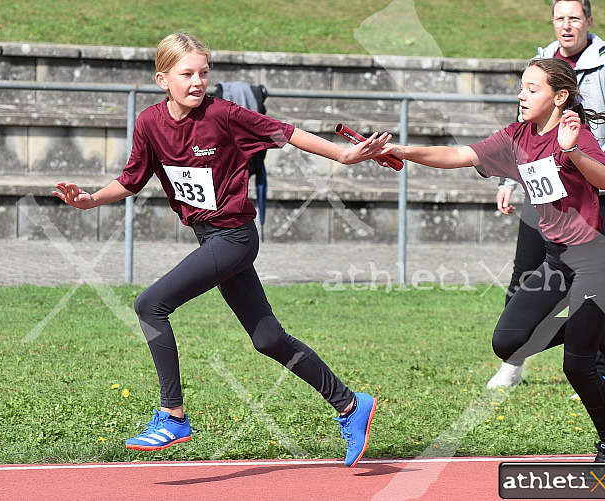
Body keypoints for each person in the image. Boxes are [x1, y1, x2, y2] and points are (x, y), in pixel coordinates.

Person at [52, 32, 385, 467]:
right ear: (162, 80)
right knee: (268, 339)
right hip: (208, 238)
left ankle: (172, 414)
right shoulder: (150, 123)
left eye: (203, 73)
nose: (197, 82)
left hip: (235, 237)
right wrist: (90, 199)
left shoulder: (224, 114)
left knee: (150, 304)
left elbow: (286, 133)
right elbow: (133, 179)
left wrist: (343, 157)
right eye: (186, 74)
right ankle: (350, 404)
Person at [375, 58, 605, 462]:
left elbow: (604, 178)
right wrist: (402, 151)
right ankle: (595, 332)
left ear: (559, 97)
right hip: (555, 261)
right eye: (522, 86)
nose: (522, 94)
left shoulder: (573, 133)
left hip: (595, 262)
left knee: (576, 367)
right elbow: (458, 154)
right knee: (507, 342)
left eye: (533, 89)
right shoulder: (516, 137)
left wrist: (573, 152)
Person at [488, 0, 605, 394]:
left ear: (589, 21)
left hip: (592, 185)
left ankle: (603, 365)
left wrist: (587, 165)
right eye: (560, 18)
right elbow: (524, 134)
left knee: (591, 281)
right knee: (525, 273)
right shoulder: (541, 62)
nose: (567, 25)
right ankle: (513, 359)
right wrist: (508, 182)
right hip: (542, 188)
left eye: (575, 18)